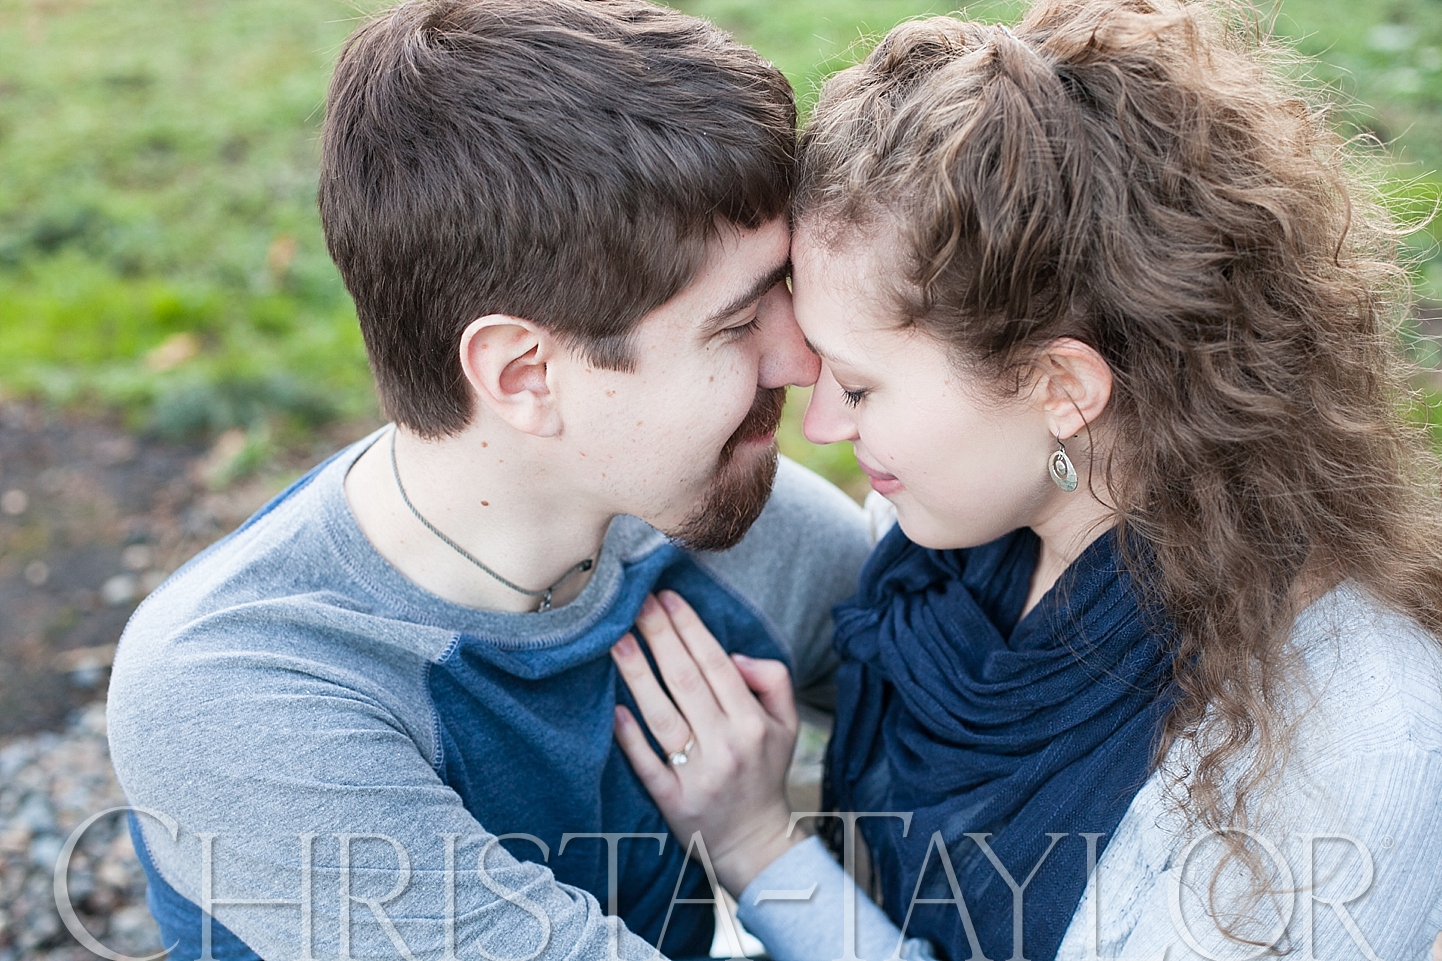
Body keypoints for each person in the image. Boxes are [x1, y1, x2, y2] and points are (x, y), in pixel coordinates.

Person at [610, 1, 1442, 958]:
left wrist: (763, 853)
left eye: (860, 384)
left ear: (1061, 388)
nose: (825, 424)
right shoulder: (947, 519)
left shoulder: (1351, 739)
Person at [104, 2, 874, 959]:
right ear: (524, 375)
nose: (804, 362)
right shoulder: (240, 694)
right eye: (737, 322)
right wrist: (772, 861)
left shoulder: (759, 533)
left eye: (786, 293)